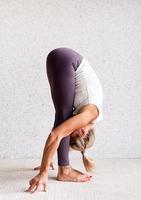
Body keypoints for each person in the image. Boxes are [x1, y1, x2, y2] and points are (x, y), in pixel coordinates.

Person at [26, 47, 103, 193]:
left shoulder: (87, 115)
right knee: (63, 120)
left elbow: (60, 130)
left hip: (60, 59)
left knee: (62, 117)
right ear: (89, 131)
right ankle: (65, 170)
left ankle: (64, 169)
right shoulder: (91, 114)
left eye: (73, 135)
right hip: (68, 61)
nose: (78, 131)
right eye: (83, 134)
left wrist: (46, 161)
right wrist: (43, 173)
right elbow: (56, 134)